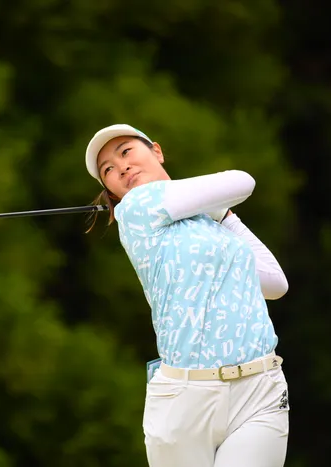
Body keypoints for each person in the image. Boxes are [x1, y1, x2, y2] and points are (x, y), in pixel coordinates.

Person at [84, 124, 291, 467]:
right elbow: (241, 181)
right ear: (112, 191)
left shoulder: (210, 224)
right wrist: (215, 204)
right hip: (185, 401)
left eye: (126, 152)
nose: (121, 167)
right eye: (108, 169)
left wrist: (223, 215)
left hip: (260, 389)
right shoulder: (135, 207)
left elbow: (274, 283)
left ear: (157, 151)